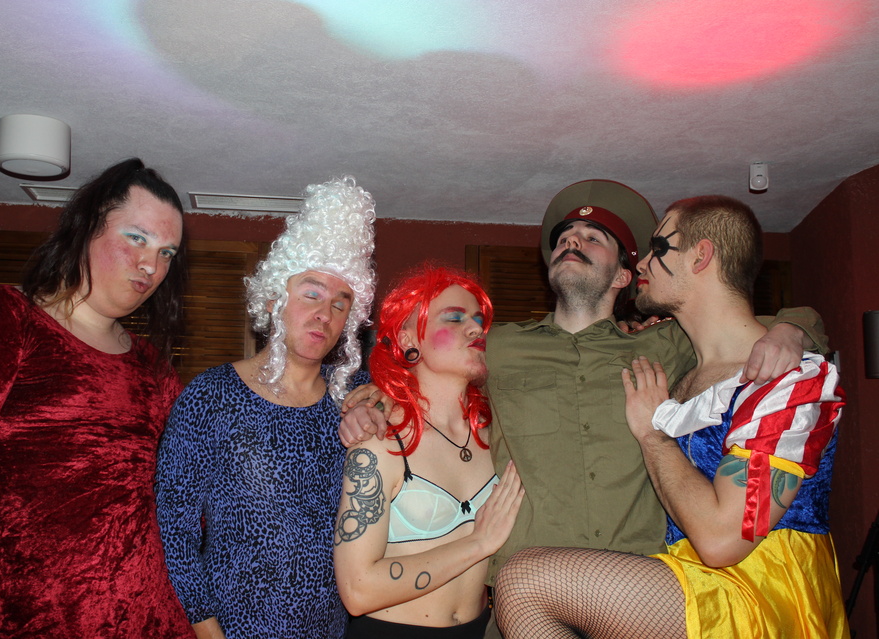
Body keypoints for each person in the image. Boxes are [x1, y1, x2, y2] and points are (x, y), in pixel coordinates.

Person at [338, 180, 828, 638]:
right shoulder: (497, 348)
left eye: (593, 237)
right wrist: (378, 396)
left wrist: (792, 330)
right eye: (564, 237)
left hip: (639, 598)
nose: (572, 240)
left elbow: (742, 322)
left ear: (624, 275)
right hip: (523, 611)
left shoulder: (667, 345)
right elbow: (427, 366)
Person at [493, 194, 849, 638]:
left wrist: (792, 329)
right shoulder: (680, 372)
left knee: (523, 581)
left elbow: (722, 540)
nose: (644, 263)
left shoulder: (787, 378)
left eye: (658, 248)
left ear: (701, 256)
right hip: (674, 581)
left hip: (754, 601)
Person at [0, 158, 194, 637]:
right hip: (25, 620)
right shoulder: (3, 318)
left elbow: (196, 487)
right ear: (87, 227)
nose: (152, 266)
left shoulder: (154, 368)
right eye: (137, 238)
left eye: (166, 252)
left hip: (152, 620)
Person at [156, 176, 377, 639]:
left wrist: (387, 399)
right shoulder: (210, 396)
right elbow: (175, 532)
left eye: (341, 305)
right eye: (312, 294)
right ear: (276, 297)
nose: (325, 314)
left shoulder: (353, 394)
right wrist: (209, 633)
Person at [334, 264, 525, 639]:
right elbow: (357, 592)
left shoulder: (499, 434)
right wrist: (479, 543)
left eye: (479, 321)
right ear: (409, 339)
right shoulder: (380, 441)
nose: (475, 330)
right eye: (454, 318)